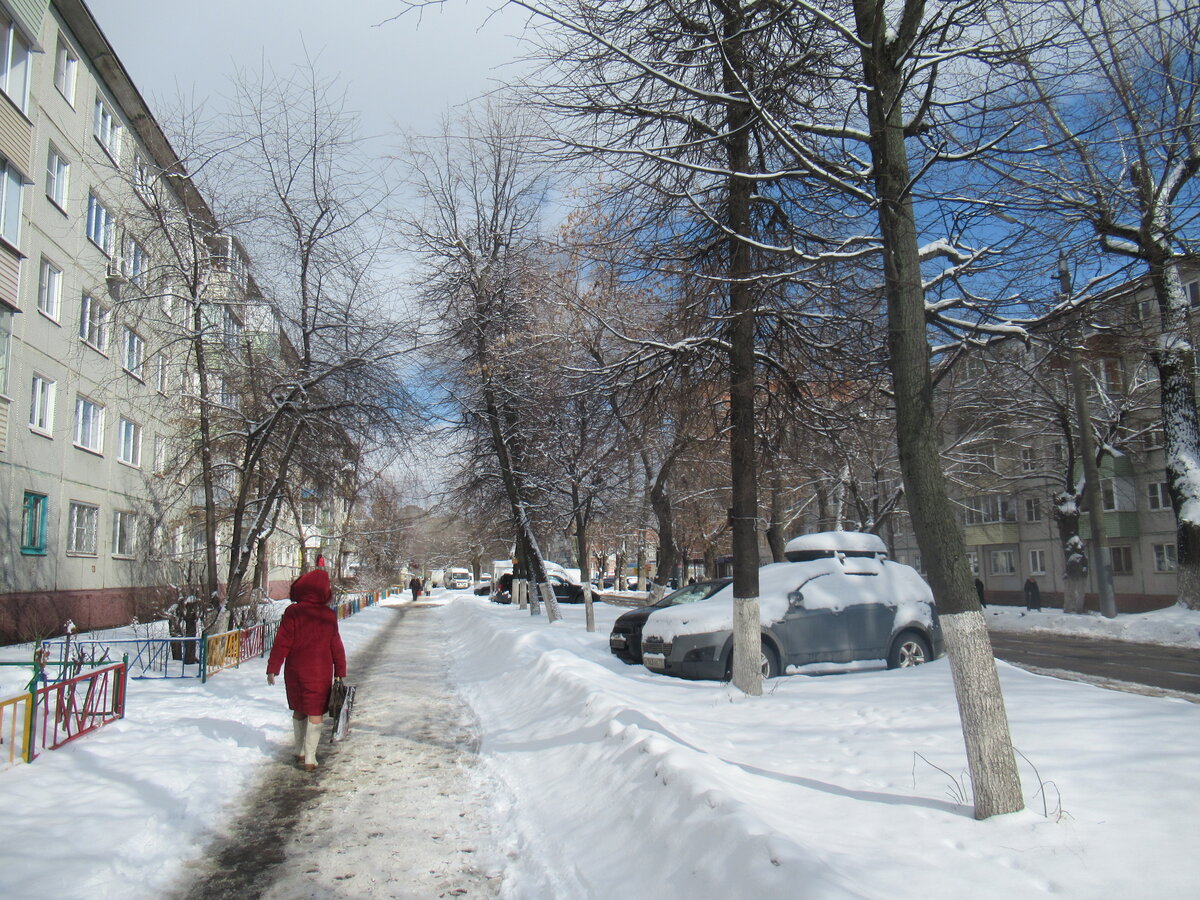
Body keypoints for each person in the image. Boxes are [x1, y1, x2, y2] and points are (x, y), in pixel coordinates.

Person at [266, 567, 346, 772]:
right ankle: (310, 757)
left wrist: (273, 667)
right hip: (320, 672)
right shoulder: (328, 616)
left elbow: (282, 641)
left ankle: (300, 750)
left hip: (295, 670)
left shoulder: (293, 612)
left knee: (299, 708)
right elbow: (336, 645)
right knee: (315, 711)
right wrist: (340, 671)